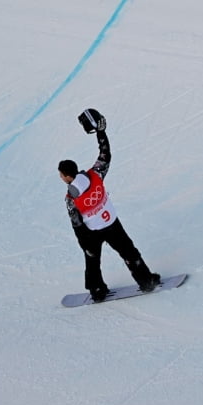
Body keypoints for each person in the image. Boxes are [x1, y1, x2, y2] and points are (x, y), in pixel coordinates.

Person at [58, 108, 161, 302]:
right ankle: (146, 281)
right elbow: (105, 153)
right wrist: (100, 132)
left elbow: (76, 223)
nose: (61, 177)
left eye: (61, 175)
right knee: (129, 252)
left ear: (67, 177)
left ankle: (97, 291)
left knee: (92, 261)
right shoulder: (95, 174)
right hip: (111, 224)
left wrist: (85, 244)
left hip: (92, 232)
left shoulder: (71, 198)